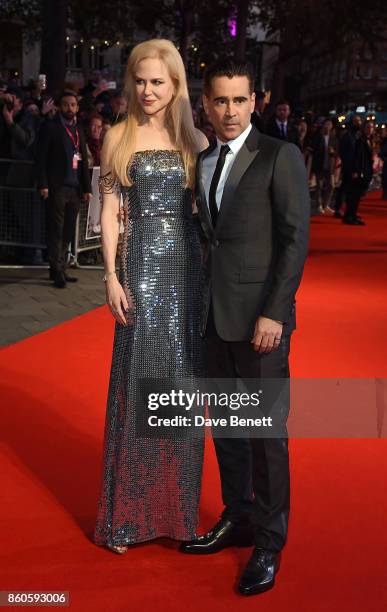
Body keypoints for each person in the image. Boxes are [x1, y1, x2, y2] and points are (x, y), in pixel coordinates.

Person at [179, 59, 310, 597]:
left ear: (253, 101)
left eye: (238, 100)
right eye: (219, 101)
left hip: (261, 323)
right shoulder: (205, 159)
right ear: (204, 106)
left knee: (265, 437)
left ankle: (270, 543)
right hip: (213, 318)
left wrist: (274, 312)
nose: (229, 111)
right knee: (228, 431)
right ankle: (238, 518)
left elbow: (294, 240)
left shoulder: (281, 155)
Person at [94, 39, 208, 553]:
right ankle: (125, 519)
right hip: (138, 269)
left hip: (188, 273)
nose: (147, 90)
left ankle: (177, 515)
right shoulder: (117, 136)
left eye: (158, 81)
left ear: (176, 84)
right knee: (134, 384)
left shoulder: (196, 141)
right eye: (140, 80)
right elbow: (109, 212)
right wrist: (111, 278)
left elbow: (208, 213)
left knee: (181, 389)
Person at [36, 90, 92, 287]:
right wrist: (43, 184)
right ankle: (56, 270)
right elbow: (41, 159)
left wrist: (87, 187)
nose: (70, 108)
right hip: (56, 187)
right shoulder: (50, 127)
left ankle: (61, 267)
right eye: (66, 104)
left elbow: (83, 160)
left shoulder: (78, 130)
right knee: (56, 231)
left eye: (73, 105)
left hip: (75, 189)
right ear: (60, 107)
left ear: (77, 107)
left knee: (68, 231)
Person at [343, 121, 374, 225]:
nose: (370, 129)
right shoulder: (360, 140)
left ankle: (352, 215)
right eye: (368, 127)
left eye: (371, 127)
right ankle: (349, 217)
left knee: (357, 196)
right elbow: (357, 157)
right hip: (359, 172)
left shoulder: (368, 140)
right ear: (363, 128)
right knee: (354, 195)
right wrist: (356, 171)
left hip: (364, 171)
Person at [334, 114, 362, 219]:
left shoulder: (358, 135)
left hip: (356, 166)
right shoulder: (347, 136)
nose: (358, 123)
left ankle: (350, 211)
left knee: (353, 191)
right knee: (344, 188)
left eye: (359, 121)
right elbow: (343, 151)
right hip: (348, 167)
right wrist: (348, 165)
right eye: (356, 121)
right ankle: (338, 209)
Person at [311, 118, 338, 213]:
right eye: (326, 124)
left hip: (329, 166)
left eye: (329, 124)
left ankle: (326, 204)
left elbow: (337, 151)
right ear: (323, 125)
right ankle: (319, 205)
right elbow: (313, 149)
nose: (328, 126)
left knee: (331, 186)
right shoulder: (318, 136)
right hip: (319, 165)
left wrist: (333, 152)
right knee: (319, 186)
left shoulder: (333, 137)